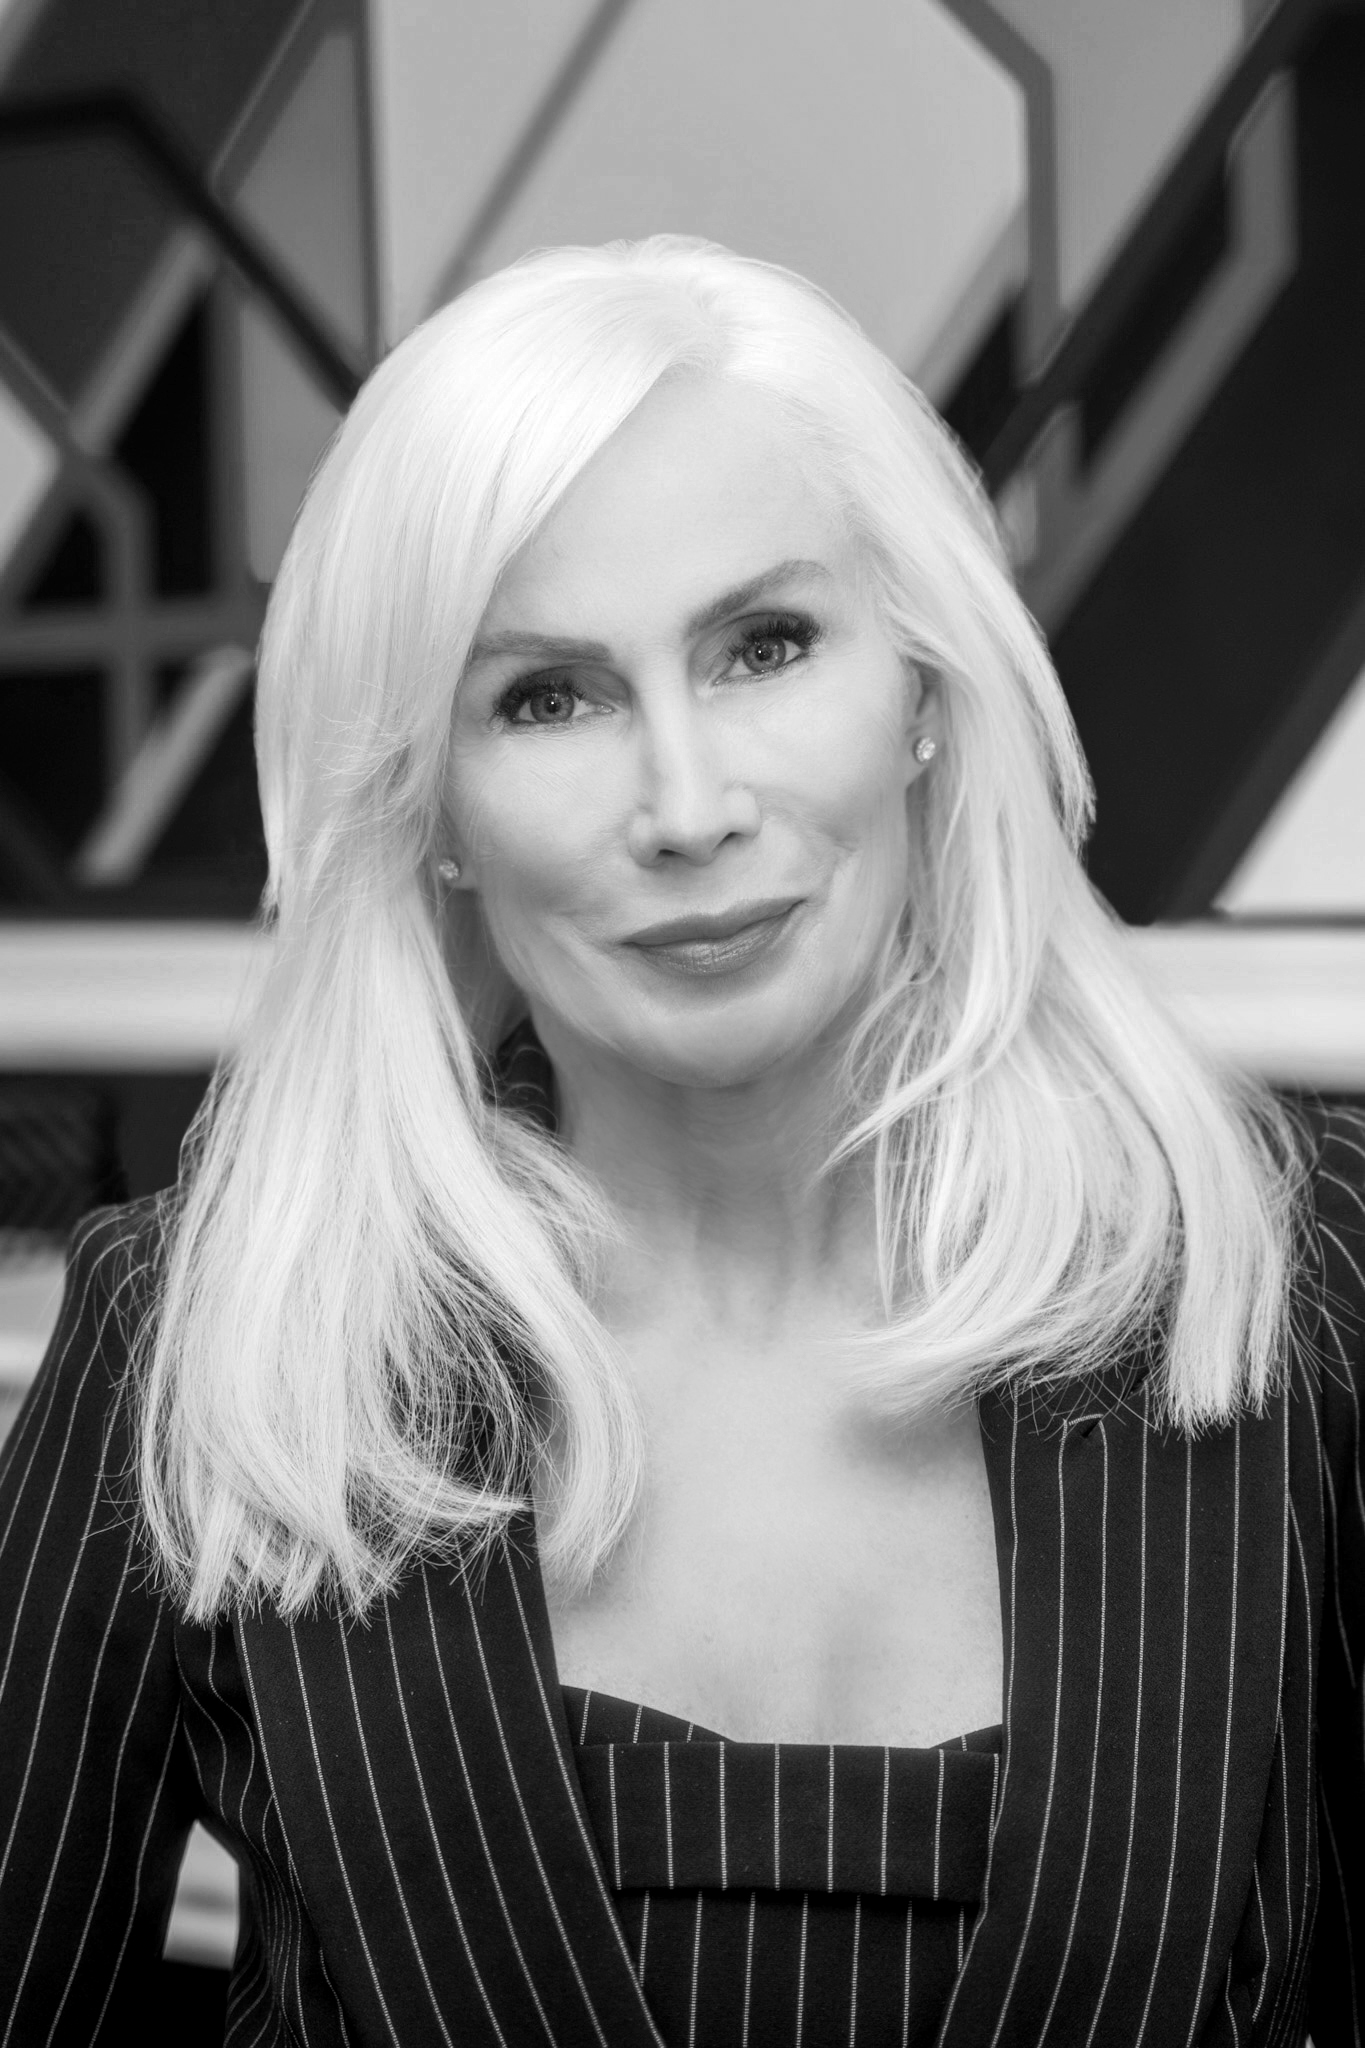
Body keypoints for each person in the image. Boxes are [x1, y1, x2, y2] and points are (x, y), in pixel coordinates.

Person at [0, 235, 1361, 2048]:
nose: (688, 806)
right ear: (431, 803)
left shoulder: (1299, 1277)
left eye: (764, 647)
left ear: (923, 693)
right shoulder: (210, 1339)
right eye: (545, 697)